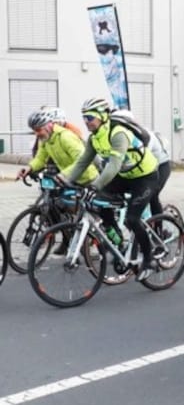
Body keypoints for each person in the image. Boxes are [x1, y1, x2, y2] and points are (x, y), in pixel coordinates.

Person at [67, 97, 161, 281]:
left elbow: (114, 165)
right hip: (125, 177)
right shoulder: (94, 138)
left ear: (102, 116)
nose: (86, 122)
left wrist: (95, 186)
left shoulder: (118, 133)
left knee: (133, 219)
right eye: (84, 117)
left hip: (145, 177)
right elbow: (82, 162)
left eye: (90, 117)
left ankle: (149, 260)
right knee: (100, 204)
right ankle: (118, 238)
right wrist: (67, 182)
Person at [17, 109, 98, 185]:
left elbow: (82, 160)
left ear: (48, 125)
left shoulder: (65, 137)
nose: (36, 134)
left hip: (88, 180)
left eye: (38, 130)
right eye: (34, 131)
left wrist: (63, 175)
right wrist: (29, 168)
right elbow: (40, 159)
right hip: (70, 180)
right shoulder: (45, 139)